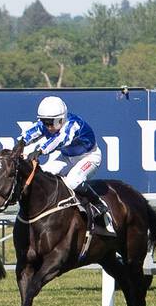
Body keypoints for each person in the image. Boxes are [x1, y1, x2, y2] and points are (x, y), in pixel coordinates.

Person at [19, 95, 114, 236]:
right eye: (45, 122)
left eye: (50, 123)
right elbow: (31, 133)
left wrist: (39, 151)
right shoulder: (47, 124)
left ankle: (100, 205)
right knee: (45, 174)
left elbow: (59, 140)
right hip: (67, 157)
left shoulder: (73, 125)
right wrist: (19, 144)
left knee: (73, 181)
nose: (48, 126)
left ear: (61, 119)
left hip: (89, 157)